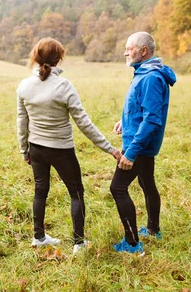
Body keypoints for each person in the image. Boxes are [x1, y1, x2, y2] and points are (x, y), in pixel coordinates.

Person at [17, 37, 120, 255]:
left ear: (35, 57)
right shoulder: (64, 86)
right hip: (62, 150)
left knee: (40, 191)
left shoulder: (24, 86)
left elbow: (22, 121)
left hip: (36, 148)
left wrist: (24, 150)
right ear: (59, 59)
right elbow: (84, 122)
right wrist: (109, 148)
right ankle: (79, 244)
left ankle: (39, 237)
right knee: (76, 193)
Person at [110, 31, 176, 254]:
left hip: (139, 145)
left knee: (117, 187)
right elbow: (142, 108)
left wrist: (130, 153)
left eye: (130, 48)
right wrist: (124, 120)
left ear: (143, 51)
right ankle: (152, 229)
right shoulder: (145, 72)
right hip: (141, 141)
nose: (126, 52)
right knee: (147, 183)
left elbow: (152, 119)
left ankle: (131, 243)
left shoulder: (150, 78)